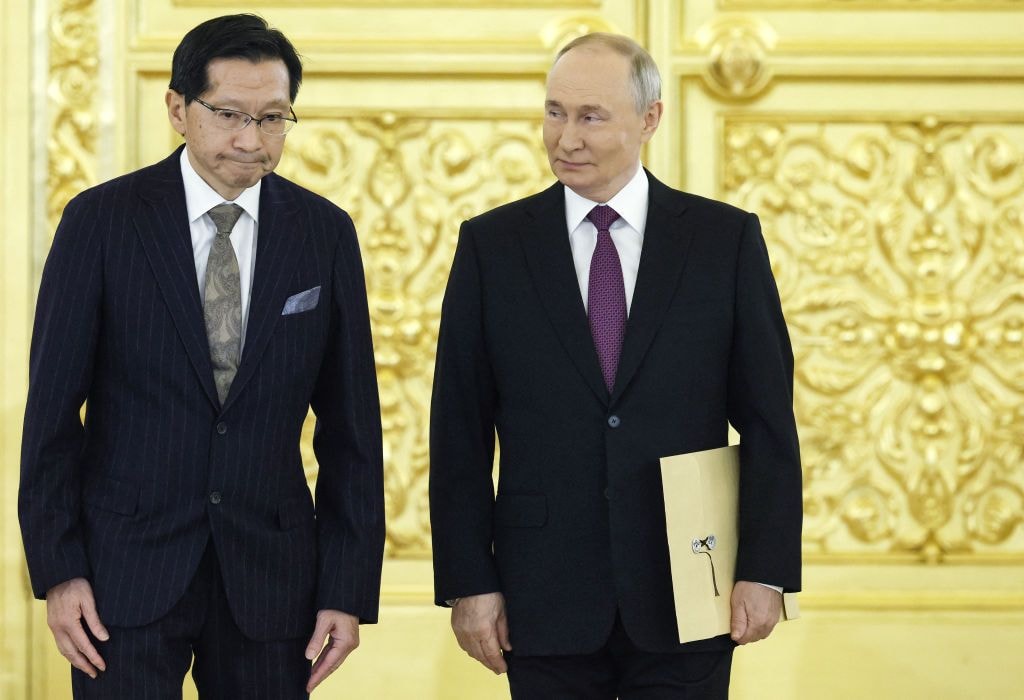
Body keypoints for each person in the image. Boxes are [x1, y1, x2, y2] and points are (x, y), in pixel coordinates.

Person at [19, 14, 384, 699]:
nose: (251, 141)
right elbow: (51, 417)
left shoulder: (324, 234)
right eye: (229, 114)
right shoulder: (100, 222)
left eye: (274, 118)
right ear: (178, 109)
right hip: (120, 576)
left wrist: (346, 589)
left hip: (272, 583)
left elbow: (353, 432)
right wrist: (60, 571)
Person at [429, 32, 801, 698]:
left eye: (591, 116)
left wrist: (766, 570)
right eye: (554, 112)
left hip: (692, 589)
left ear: (649, 118)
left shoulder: (723, 241)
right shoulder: (491, 247)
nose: (565, 136)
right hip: (541, 596)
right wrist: (468, 581)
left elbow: (770, 423)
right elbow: (457, 430)